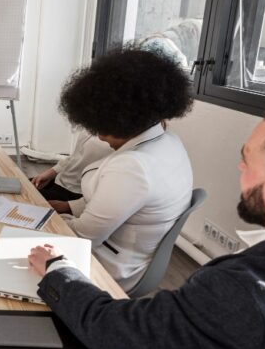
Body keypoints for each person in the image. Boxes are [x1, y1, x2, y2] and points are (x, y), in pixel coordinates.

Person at [28, 99, 265, 349]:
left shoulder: (245, 293)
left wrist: (58, 269)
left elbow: (107, 328)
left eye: (248, 159)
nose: (240, 166)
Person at [51, 48, 194, 292]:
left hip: (106, 269)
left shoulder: (133, 168)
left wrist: (45, 219)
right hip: (126, 254)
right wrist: (68, 207)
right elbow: (121, 204)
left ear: (121, 118)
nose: (97, 134)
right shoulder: (169, 142)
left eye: (101, 127)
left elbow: (83, 238)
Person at [31, 130, 112, 202]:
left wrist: (71, 207)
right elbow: (74, 157)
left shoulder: (117, 141)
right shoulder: (92, 126)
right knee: (24, 186)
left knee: (27, 198)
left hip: (76, 193)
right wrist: (51, 172)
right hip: (60, 180)